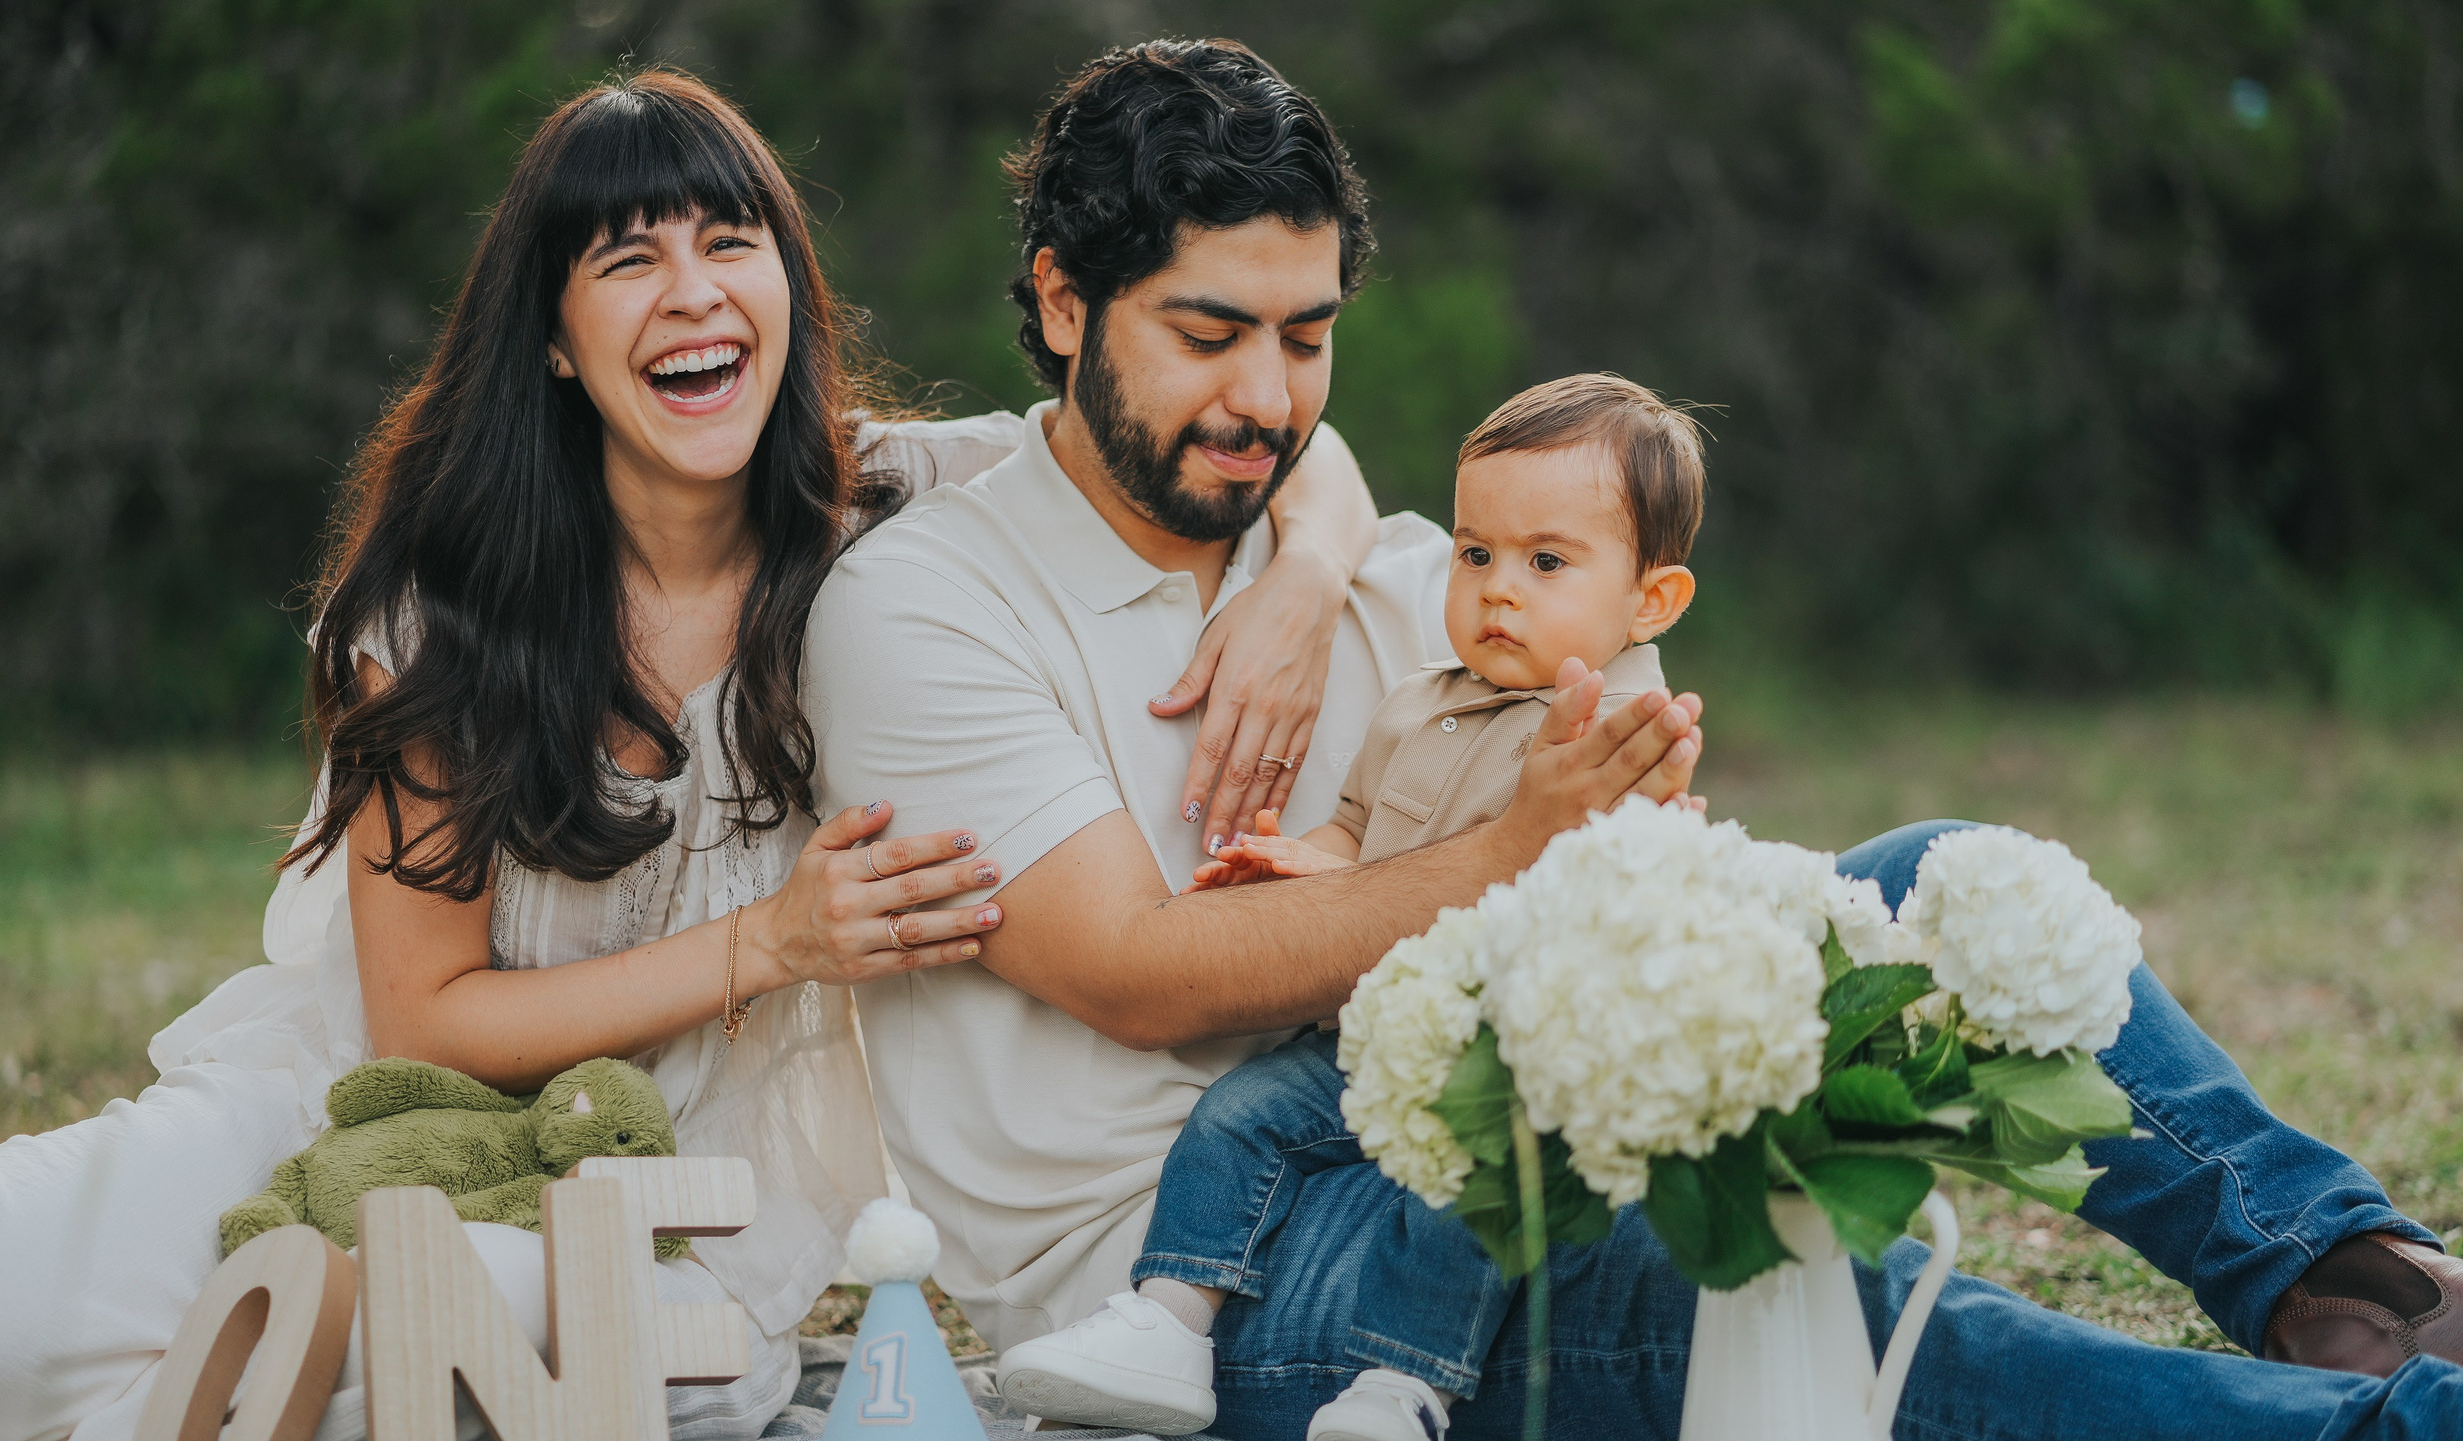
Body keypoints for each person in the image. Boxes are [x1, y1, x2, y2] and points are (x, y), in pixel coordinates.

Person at [800, 38, 2463, 1441]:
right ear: (1064, 303)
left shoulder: (1383, 564)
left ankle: (2361, 1286)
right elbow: (1134, 970)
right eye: (1207, 331)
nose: (1265, 395)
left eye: (1305, 335)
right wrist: (1515, 852)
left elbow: (1590, 748)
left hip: (1489, 1104)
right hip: (1216, 1261)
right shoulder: (925, 604)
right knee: (1774, 1285)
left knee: (1950, 887)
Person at [0, 70, 1387, 1441]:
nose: (695, 296)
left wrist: (1305, 580)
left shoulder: (897, 507)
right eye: (628, 261)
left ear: (787, 289)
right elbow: (423, 1019)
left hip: (669, 1192)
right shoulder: (443, 606)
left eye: (731, 244)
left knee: (385, 1373)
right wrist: (773, 939)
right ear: (553, 332)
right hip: (361, 1116)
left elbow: (1249, 415)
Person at [996, 371, 1706, 1440]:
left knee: (1464, 1195)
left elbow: (1627, 907)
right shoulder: (1423, 700)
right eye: (1475, 554)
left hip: (1508, 1058)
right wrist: (1296, 861)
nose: (1497, 589)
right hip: (1369, 1032)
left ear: (1649, 600)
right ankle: (1168, 1318)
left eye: (1546, 562)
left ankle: (1403, 1385)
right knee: (1239, 1115)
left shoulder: (1619, 730)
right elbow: (1360, 835)